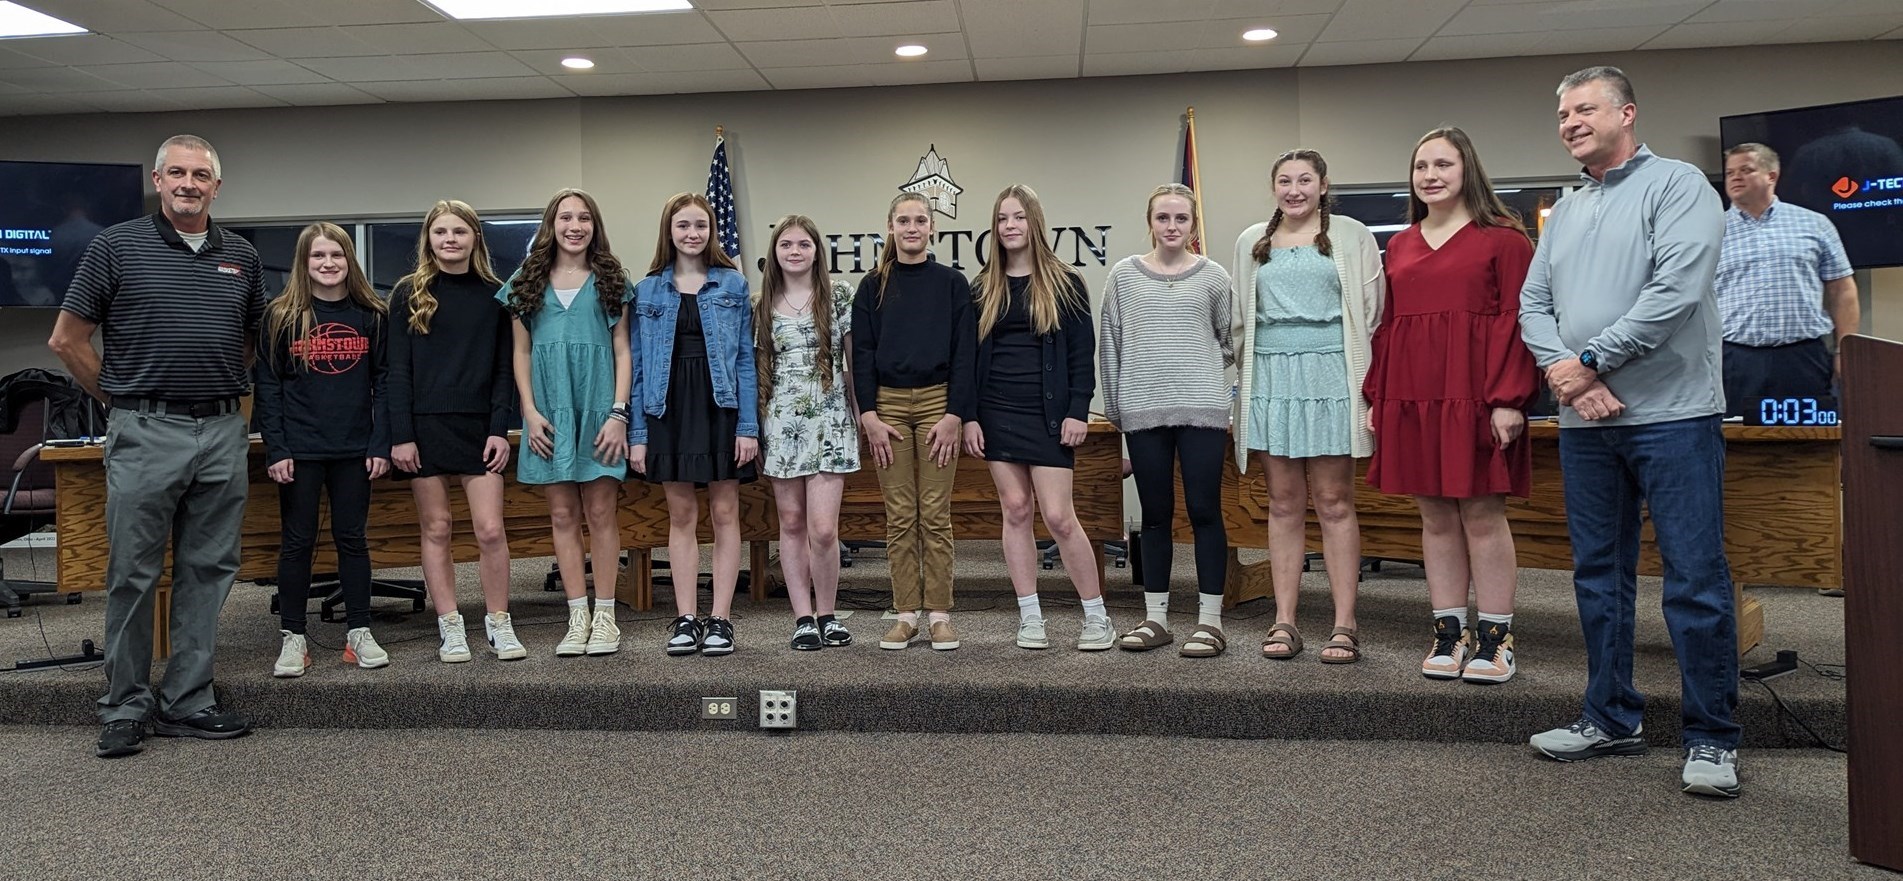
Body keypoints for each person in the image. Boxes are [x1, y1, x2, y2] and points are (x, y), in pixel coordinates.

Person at [1519, 66, 1740, 798]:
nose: (1569, 121)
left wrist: (1588, 361)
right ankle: (1609, 716)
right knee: (1597, 578)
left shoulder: (1677, 185)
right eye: (1561, 113)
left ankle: (1711, 736)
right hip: (1587, 422)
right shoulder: (1570, 207)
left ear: (1626, 112)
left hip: (1673, 415)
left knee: (1694, 580)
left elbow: (1674, 290)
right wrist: (1565, 371)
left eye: (1584, 109)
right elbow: (1532, 303)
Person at [50, 134, 264, 758]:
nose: (188, 184)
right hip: (146, 430)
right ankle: (123, 706)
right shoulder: (115, 246)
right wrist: (118, 400)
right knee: (133, 574)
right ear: (158, 179)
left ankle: (189, 699)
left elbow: (247, 342)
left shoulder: (243, 257)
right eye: (176, 173)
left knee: (209, 570)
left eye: (200, 175)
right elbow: (67, 339)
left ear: (216, 187)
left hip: (223, 431)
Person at [1363, 127, 1538, 683]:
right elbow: (1389, 327)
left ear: (1468, 171)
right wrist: (1378, 395)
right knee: (1435, 517)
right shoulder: (1401, 242)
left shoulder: (1506, 240)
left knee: (1483, 514)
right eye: (1421, 167)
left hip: (1479, 396)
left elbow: (1519, 321)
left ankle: (1495, 639)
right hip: (1413, 396)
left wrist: (1509, 400)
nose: (1431, 176)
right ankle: (1447, 633)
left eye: (1443, 164)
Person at [1233, 149, 1383, 665]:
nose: (1293, 189)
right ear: (1273, 187)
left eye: (1304, 180)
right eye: (1284, 181)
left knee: (1335, 499)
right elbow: (1238, 321)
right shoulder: (1251, 241)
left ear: (1323, 185)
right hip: (1272, 379)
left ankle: (1345, 623)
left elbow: (1372, 313)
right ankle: (1285, 619)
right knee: (1282, 502)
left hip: (1330, 375)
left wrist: (1368, 389)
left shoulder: (1351, 235)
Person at [965, 185, 1114, 652]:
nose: (1010, 226)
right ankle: (1030, 616)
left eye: (1018, 217)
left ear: (1035, 223)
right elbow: (966, 362)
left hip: (1049, 413)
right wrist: (969, 417)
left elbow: (1080, 355)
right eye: (1002, 218)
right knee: (1016, 510)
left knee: (1058, 516)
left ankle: (1097, 617)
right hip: (996, 412)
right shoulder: (981, 286)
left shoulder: (1065, 281)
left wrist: (1077, 411)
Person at [1100, 183, 1236, 658]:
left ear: (1193, 225)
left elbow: (1229, 338)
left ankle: (1209, 622)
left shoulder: (1215, 277)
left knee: (1204, 511)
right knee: (1155, 516)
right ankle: (1155, 618)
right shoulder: (1123, 277)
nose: (1172, 227)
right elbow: (1110, 347)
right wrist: (1121, 410)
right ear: (1150, 223)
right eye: (1163, 218)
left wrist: (1192, 367)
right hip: (1144, 412)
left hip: (1201, 411)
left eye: (1181, 218)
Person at [254, 222, 393, 677]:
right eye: (318, 256)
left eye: (336, 255)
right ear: (304, 263)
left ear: (349, 260)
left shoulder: (371, 313)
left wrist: (380, 442)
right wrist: (276, 449)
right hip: (300, 450)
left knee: (353, 539)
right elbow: (268, 387)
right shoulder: (281, 316)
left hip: (355, 449)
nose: (328, 263)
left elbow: (385, 383)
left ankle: (359, 633)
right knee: (298, 542)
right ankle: (293, 638)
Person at [387, 200, 522, 664]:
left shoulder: (496, 294)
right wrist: (401, 434)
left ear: (474, 239)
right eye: (440, 232)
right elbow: (397, 372)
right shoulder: (408, 293)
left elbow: (505, 370)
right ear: (428, 239)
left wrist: (499, 430)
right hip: (423, 429)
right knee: (438, 527)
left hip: (480, 429)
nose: (450, 240)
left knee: (489, 530)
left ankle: (498, 623)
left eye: (459, 232)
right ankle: (450, 626)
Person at [500, 189, 630, 658]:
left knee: (600, 514)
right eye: (565, 217)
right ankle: (577, 616)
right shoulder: (525, 280)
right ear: (551, 223)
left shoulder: (611, 278)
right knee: (562, 515)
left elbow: (622, 350)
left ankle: (606, 616)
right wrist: (530, 412)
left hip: (598, 410)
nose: (575, 225)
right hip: (549, 413)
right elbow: (521, 351)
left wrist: (618, 413)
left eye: (584, 218)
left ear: (595, 225)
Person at [629, 192, 758, 657]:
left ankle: (720, 619)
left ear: (711, 232)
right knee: (681, 515)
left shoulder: (732, 284)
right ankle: (685, 618)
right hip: (666, 409)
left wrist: (748, 425)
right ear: (669, 231)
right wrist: (638, 434)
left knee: (725, 514)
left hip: (720, 405)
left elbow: (745, 358)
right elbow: (639, 366)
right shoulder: (646, 290)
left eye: (700, 226)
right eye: (683, 225)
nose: (692, 234)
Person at [853, 193, 977, 652]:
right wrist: (867, 414)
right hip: (886, 406)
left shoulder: (951, 284)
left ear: (932, 229)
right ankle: (906, 613)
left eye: (920, 220)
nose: (911, 227)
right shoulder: (873, 286)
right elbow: (861, 354)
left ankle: (940, 615)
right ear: (889, 227)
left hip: (937, 403)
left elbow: (966, 353)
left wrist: (954, 415)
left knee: (935, 513)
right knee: (901, 515)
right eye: (902, 220)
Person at [755, 215, 857, 651]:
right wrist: (755, 429)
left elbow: (854, 366)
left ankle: (829, 614)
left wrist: (860, 416)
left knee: (823, 528)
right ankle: (802, 617)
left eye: (803, 244)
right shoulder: (761, 303)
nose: (795, 251)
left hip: (830, 419)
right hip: (781, 424)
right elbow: (758, 370)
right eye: (786, 245)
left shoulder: (839, 296)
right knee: (792, 523)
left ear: (817, 250)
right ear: (775, 253)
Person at [1714, 142, 1858, 417]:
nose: (1735, 177)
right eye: (1730, 172)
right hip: (1734, 359)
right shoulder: (1710, 230)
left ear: (1772, 176)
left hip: (1802, 357)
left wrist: (1844, 351)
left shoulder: (1815, 224)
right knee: (1738, 446)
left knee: (1809, 443)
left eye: (1746, 170)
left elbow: (1842, 290)